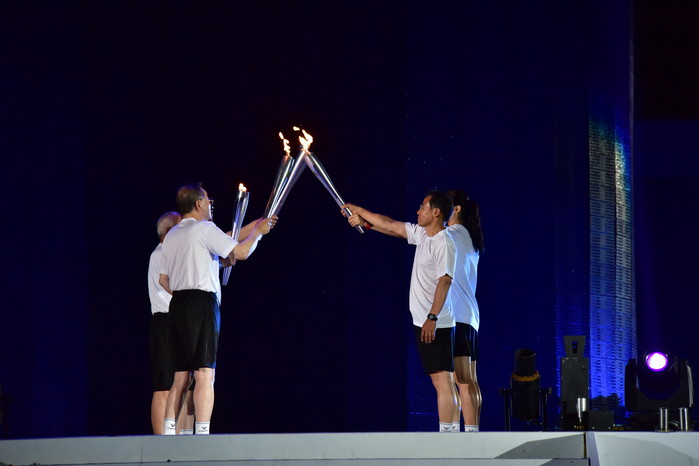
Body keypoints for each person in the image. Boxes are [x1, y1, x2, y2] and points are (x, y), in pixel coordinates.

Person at [159, 183, 276, 435]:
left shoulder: (173, 234)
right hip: (201, 303)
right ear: (198, 204)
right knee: (205, 374)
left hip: (177, 304)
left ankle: (168, 434)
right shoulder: (204, 228)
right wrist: (258, 233)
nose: (211, 204)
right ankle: (202, 435)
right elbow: (241, 252)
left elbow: (164, 280)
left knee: (180, 376)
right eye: (207, 200)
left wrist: (254, 226)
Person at [343, 191, 459, 433]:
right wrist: (361, 217)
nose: (418, 211)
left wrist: (432, 317)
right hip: (424, 320)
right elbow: (390, 225)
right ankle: (450, 433)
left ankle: (449, 436)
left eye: (423, 207)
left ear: (436, 212)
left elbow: (445, 281)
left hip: (436, 322)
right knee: (439, 380)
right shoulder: (424, 234)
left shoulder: (444, 242)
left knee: (443, 381)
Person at [445, 189, 484, 432]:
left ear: (456, 209)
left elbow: (416, 233)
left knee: (461, 381)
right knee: (469, 380)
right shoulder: (470, 236)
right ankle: (471, 432)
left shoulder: (453, 234)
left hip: (458, 316)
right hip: (469, 316)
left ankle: (468, 436)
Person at [147, 210, 187, 435]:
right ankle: (160, 442)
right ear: (170, 231)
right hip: (164, 322)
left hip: (177, 321)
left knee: (180, 385)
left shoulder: (172, 254)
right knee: (164, 386)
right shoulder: (161, 254)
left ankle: (178, 439)